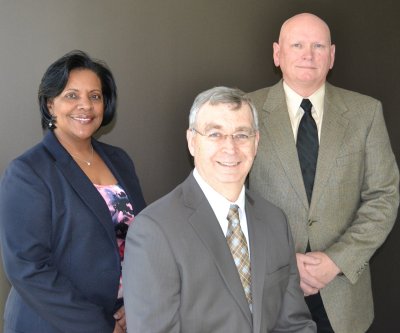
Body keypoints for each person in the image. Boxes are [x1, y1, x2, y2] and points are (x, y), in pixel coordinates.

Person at [247, 13, 399, 333]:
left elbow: (384, 196)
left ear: (332, 56)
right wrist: (285, 261)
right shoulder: (245, 111)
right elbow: (228, 201)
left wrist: (337, 261)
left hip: (343, 298)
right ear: (277, 53)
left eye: (318, 45)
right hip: (268, 294)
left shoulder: (366, 112)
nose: (308, 54)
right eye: (298, 44)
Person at [122, 86, 316, 333]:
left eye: (241, 135)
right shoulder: (154, 230)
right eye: (215, 134)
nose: (230, 148)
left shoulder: (275, 221)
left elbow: (294, 324)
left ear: (256, 142)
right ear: (192, 142)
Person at [0, 50, 146, 333]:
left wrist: (135, 302)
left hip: (123, 316)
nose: (85, 106)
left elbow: (141, 239)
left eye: (95, 96)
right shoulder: (28, 172)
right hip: (56, 324)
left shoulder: (120, 161)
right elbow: (28, 269)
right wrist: (100, 325)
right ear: (50, 104)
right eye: (71, 95)